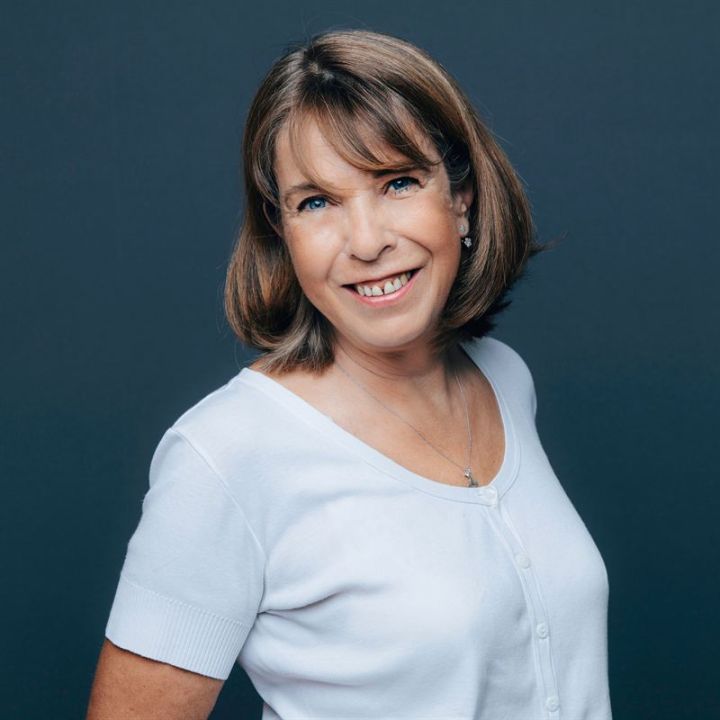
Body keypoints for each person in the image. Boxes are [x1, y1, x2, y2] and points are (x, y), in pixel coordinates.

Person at [87, 29, 612, 720]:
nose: (366, 242)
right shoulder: (226, 456)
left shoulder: (504, 379)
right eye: (316, 202)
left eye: (397, 183)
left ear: (461, 198)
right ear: (282, 231)